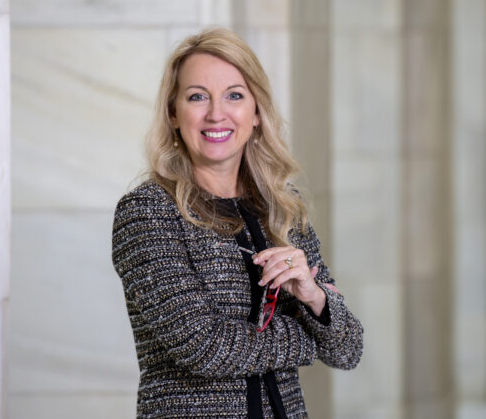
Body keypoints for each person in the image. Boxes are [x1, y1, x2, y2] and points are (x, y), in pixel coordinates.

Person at [111, 28, 363, 418]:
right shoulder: (149, 211)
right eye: (197, 97)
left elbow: (348, 349)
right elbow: (205, 348)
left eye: (234, 95)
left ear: (256, 112)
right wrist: (306, 336)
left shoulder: (283, 207)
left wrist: (314, 297)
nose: (216, 113)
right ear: (173, 114)